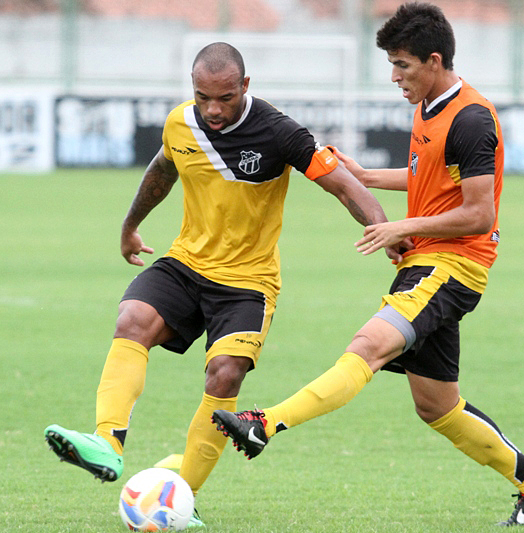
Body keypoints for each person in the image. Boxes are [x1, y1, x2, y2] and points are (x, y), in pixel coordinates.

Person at [212, 3, 524, 526]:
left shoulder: (471, 119)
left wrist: (401, 227)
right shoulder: (431, 106)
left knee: (367, 346)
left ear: (433, 59)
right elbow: (430, 177)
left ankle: (265, 423)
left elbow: (478, 212)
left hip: (451, 267)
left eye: (402, 65)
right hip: (429, 262)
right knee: (438, 407)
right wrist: (369, 177)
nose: (395, 76)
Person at [43, 42, 398, 526]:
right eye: (202, 96)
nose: (212, 108)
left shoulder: (279, 132)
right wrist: (130, 225)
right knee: (132, 320)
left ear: (245, 87)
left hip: (248, 283)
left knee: (225, 374)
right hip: (186, 264)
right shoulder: (181, 123)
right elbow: (163, 169)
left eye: (225, 97)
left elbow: (344, 185)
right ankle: (106, 444)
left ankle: (181, 496)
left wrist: (381, 228)